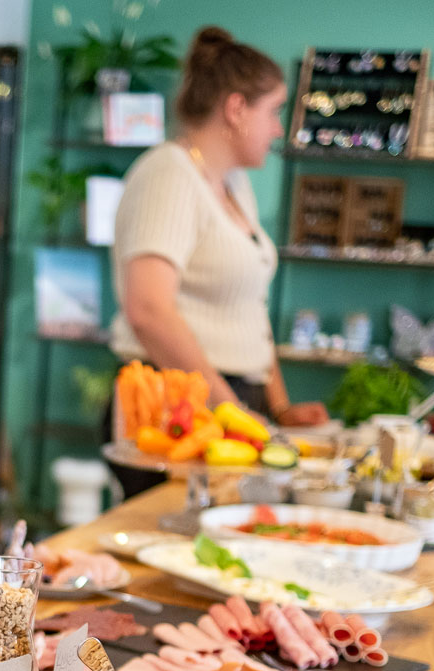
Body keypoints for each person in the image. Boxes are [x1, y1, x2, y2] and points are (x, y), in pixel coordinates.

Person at [110, 27, 327, 427]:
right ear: (236, 108)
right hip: (176, 406)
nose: (278, 129)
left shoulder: (234, 184)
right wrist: (229, 410)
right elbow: (148, 311)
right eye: (274, 111)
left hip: (232, 400)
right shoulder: (168, 175)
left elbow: (250, 310)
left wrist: (279, 408)